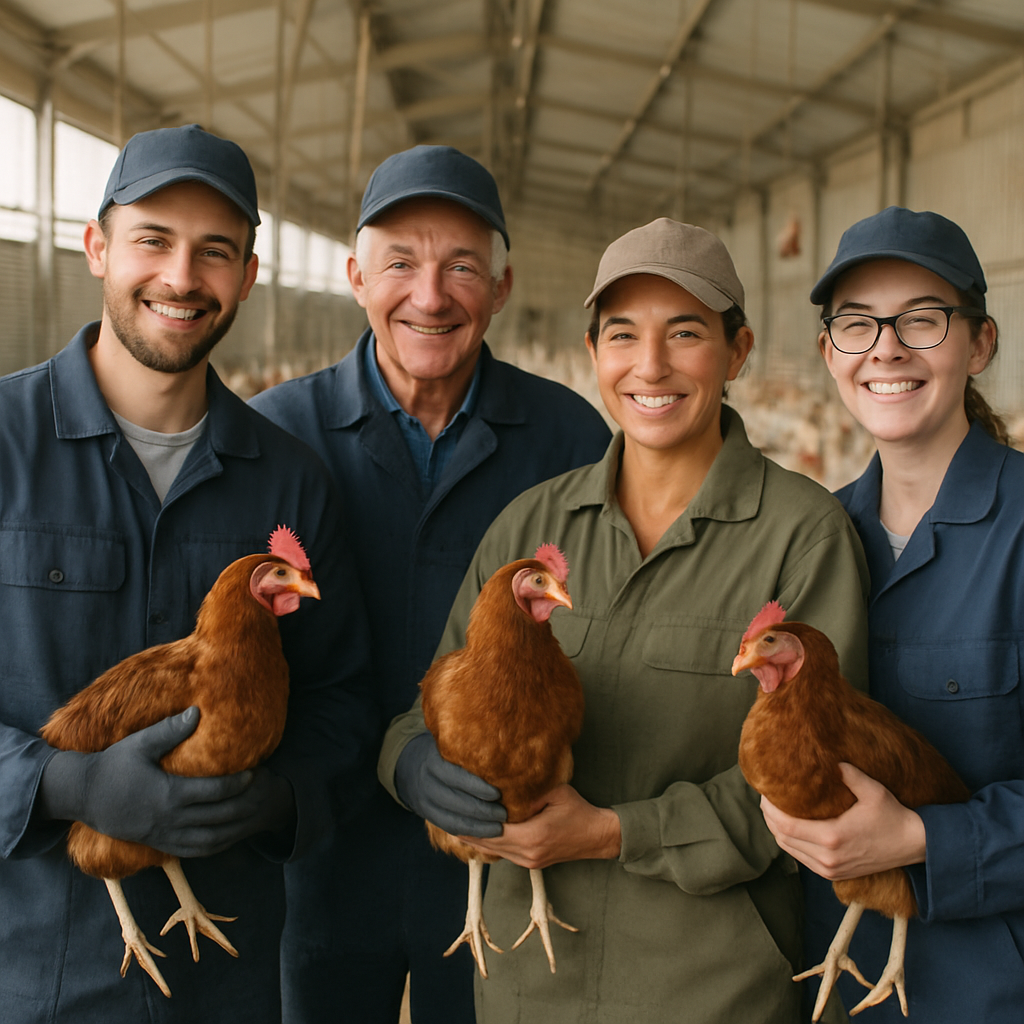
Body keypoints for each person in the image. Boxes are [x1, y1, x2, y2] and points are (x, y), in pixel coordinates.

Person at [377, 217, 870, 1023]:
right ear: (594, 353)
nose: (650, 365)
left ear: (737, 352)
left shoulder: (803, 537)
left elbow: (818, 783)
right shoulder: (529, 528)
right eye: (622, 335)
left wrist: (611, 832)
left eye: (685, 333)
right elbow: (423, 709)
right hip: (524, 987)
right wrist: (415, 768)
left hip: (710, 988)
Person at [0, 123, 374, 1023]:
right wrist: (55, 784)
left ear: (247, 277)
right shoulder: (5, 447)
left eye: (215, 252)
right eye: (153, 241)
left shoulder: (290, 482)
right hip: (29, 972)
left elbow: (344, 698)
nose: (180, 277)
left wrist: (279, 798)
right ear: (96, 248)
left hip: (229, 983)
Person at [249, 144, 610, 1024]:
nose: (431, 295)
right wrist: (388, 753)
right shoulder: (277, 436)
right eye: (401, 264)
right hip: (321, 862)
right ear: (356, 276)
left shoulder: (567, 439)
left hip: (512, 852)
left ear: (501, 286)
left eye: (461, 268)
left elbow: (608, 633)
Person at [761, 205, 1024, 1023]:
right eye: (857, 324)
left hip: (987, 989)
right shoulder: (811, 539)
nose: (886, 347)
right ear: (829, 352)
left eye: (922, 319)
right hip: (829, 983)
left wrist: (921, 840)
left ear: (979, 343)